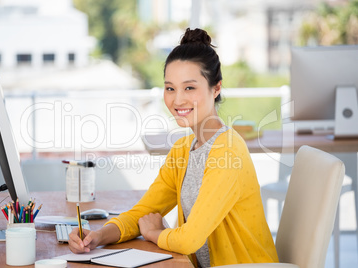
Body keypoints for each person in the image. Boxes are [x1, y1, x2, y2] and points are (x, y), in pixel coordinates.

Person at [68, 28, 279, 267]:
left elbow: (189, 239)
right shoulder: (182, 150)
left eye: (189, 88)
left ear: (216, 88)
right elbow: (144, 212)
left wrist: (153, 234)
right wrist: (98, 236)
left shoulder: (228, 152)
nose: (177, 100)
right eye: (170, 88)